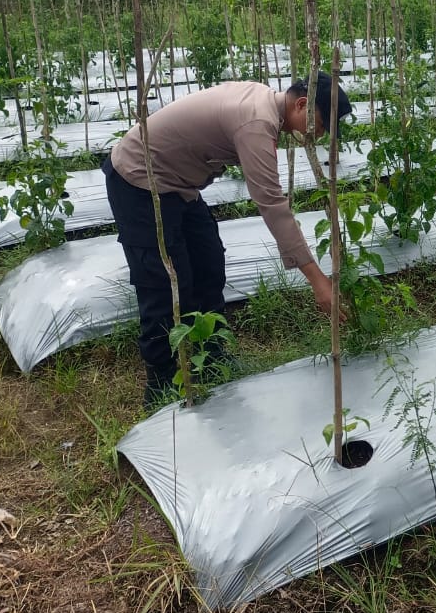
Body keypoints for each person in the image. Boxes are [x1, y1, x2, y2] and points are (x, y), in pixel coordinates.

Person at [102, 77, 352, 408]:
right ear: (302, 105)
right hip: (139, 180)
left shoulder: (265, 104)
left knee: (208, 263)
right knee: (163, 282)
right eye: (319, 127)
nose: (316, 137)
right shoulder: (256, 121)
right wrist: (318, 281)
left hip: (178, 185)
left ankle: (211, 355)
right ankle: (160, 384)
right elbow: (272, 204)